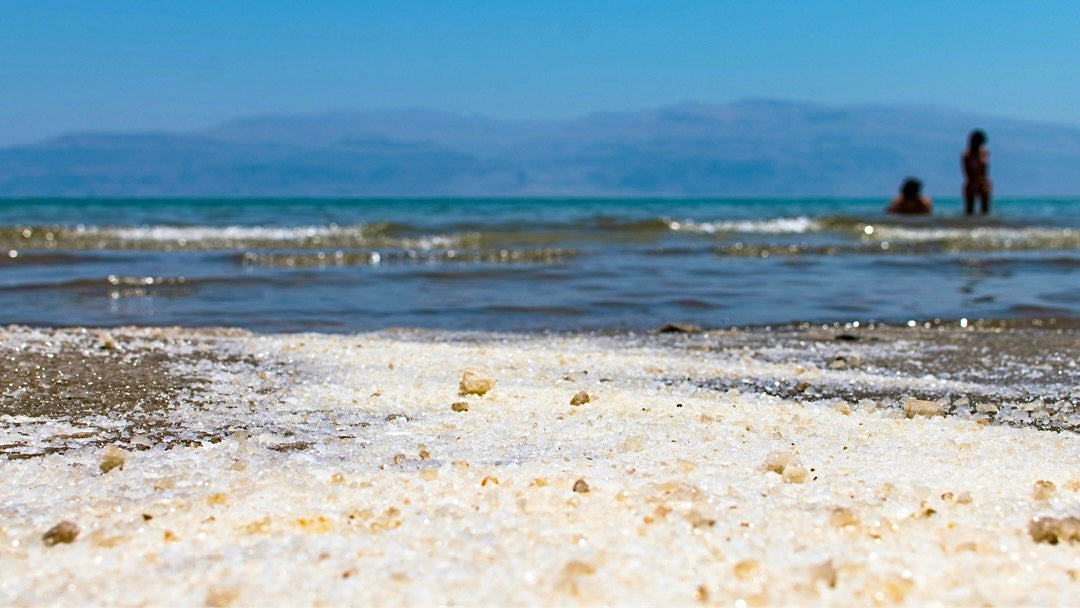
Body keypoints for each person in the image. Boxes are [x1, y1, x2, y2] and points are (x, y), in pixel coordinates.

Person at [962, 129, 991, 215]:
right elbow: (966, 171)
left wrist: (983, 181)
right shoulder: (966, 155)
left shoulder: (984, 153)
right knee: (969, 210)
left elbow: (985, 169)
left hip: (982, 181)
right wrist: (973, 182)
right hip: (971, 181)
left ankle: (985, 222)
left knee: (985, 209)